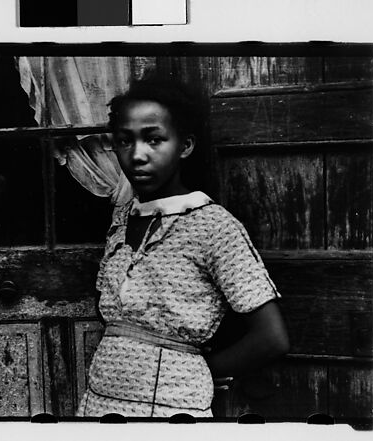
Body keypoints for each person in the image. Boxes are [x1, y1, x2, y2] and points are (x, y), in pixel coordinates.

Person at [76, 79, 290, 418]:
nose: (137, 155)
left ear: (185, 145)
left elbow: (272, 338)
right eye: (124, 141)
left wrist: (192, 370)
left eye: (154, 139)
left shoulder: (214, 227)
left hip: (171, 408)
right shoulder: (122, 219)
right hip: (101, 402)